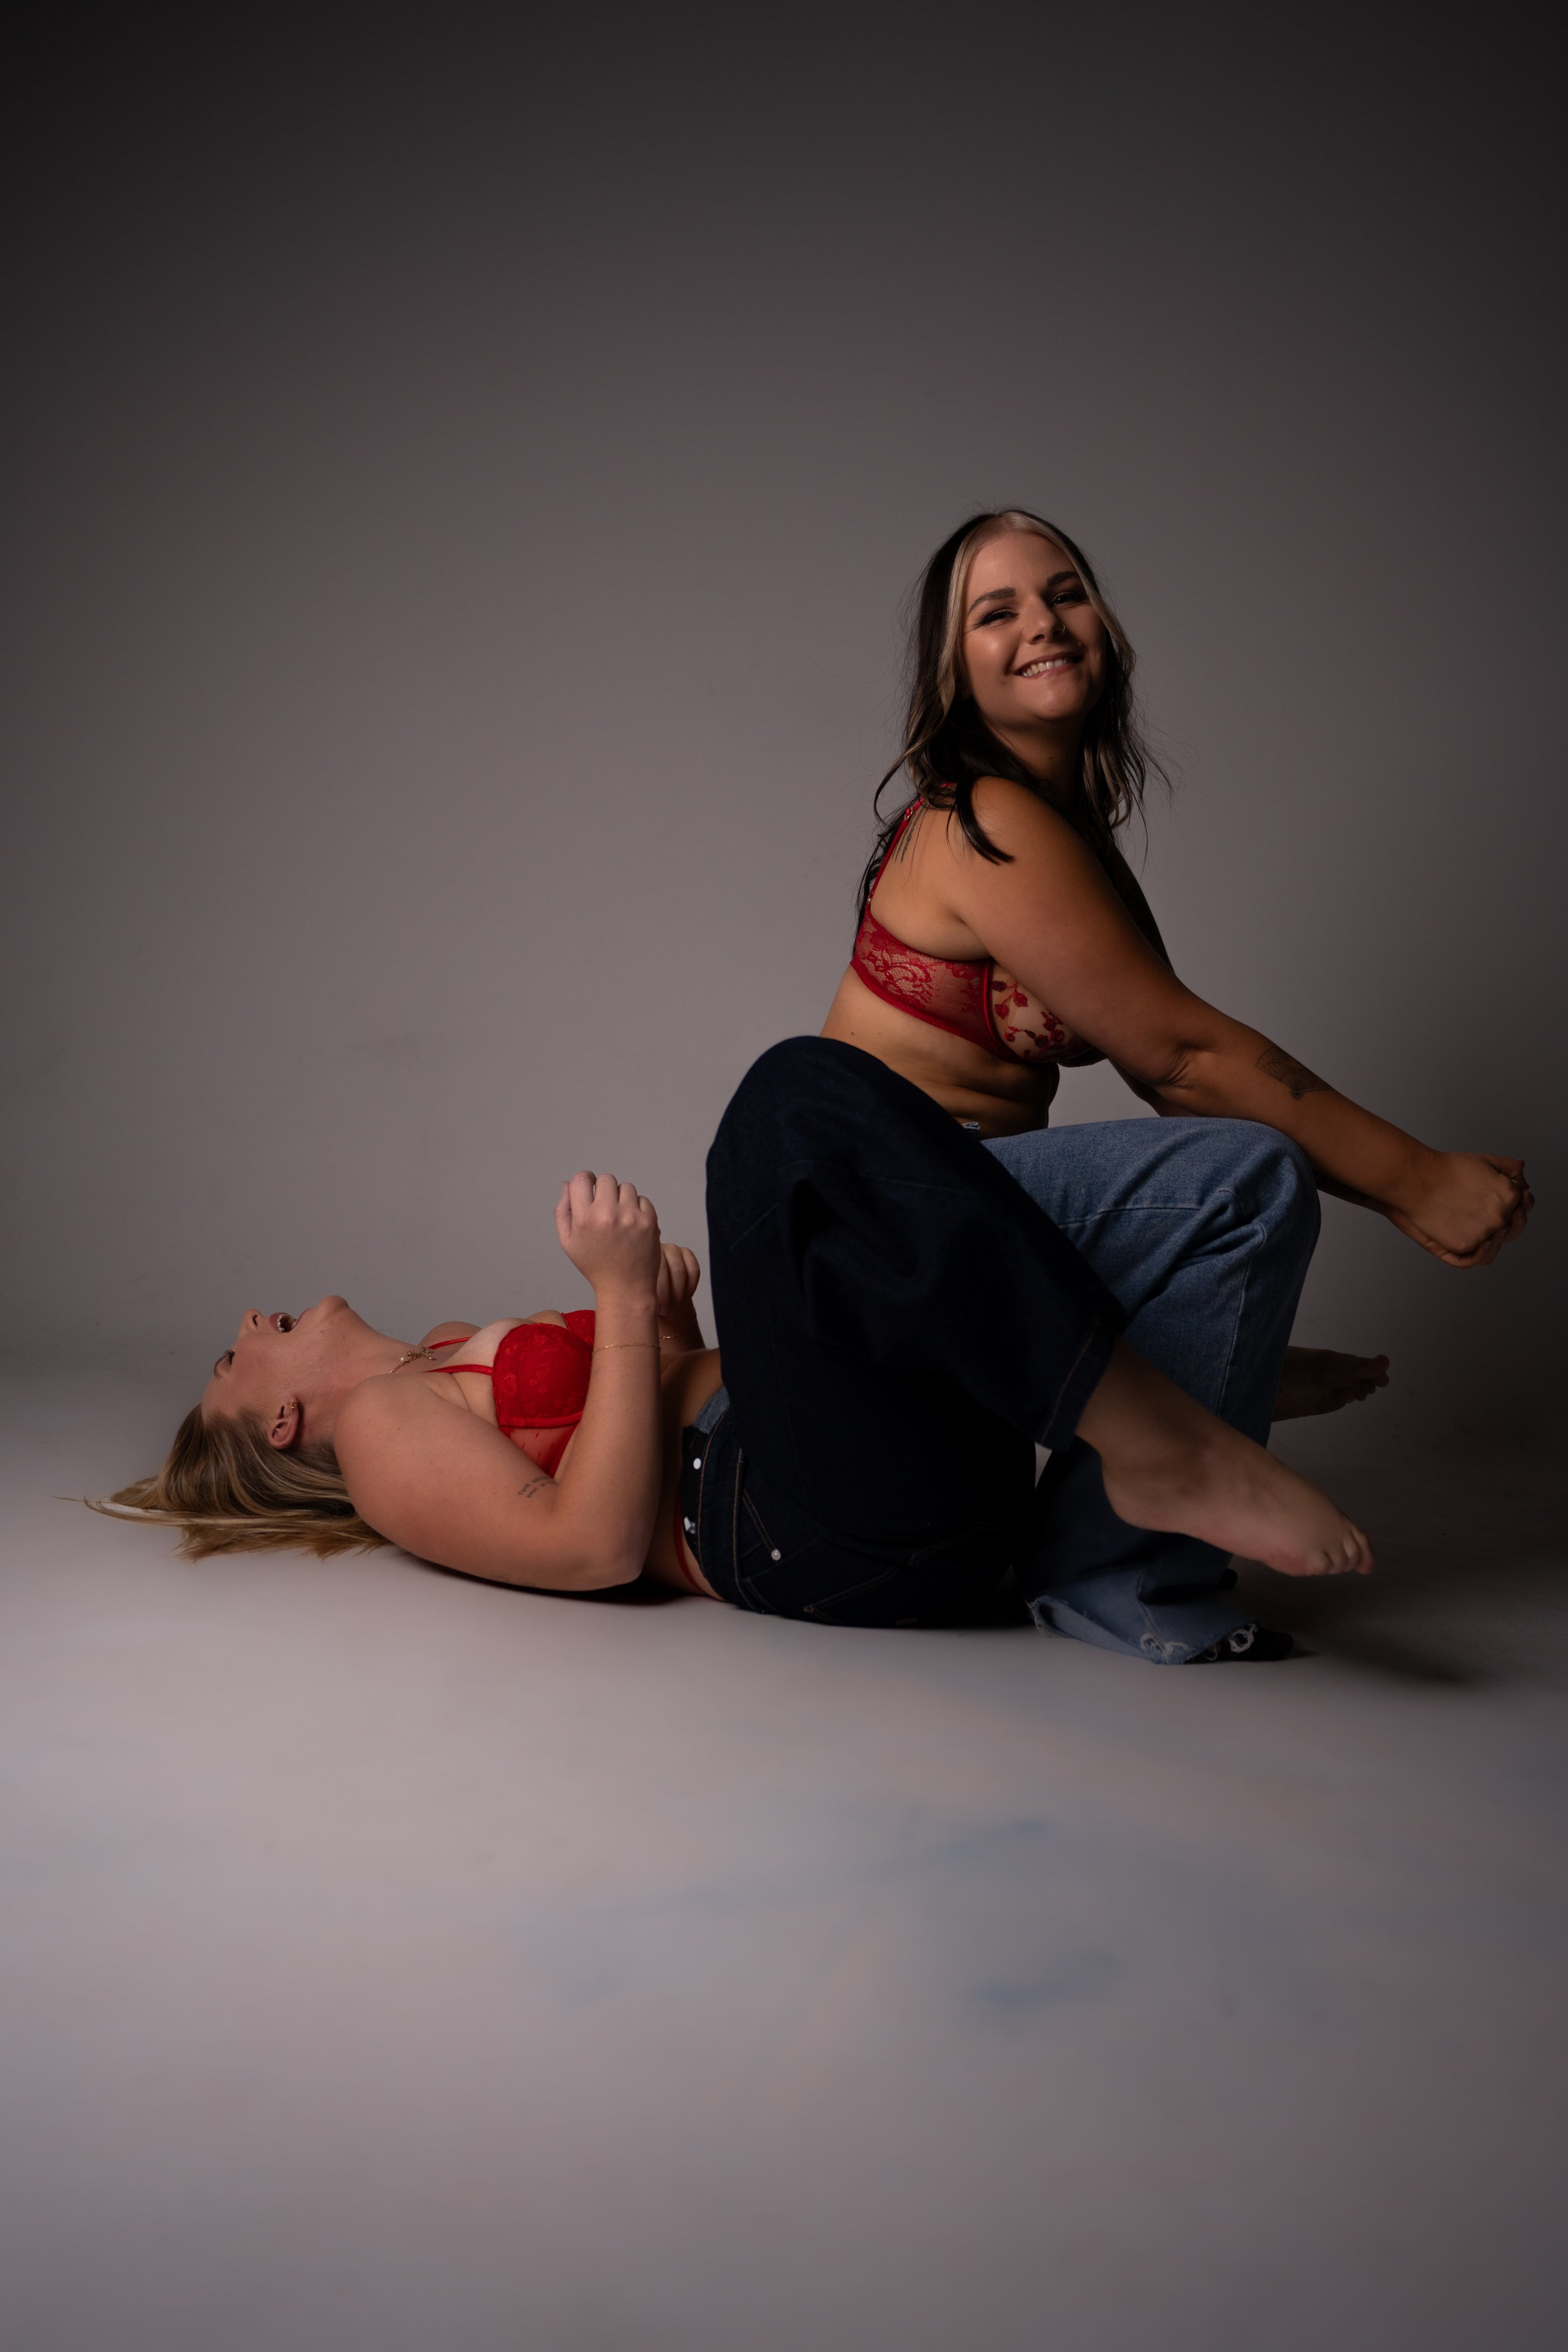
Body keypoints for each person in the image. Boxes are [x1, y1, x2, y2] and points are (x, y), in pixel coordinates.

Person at [818, 509, 1531, 1653]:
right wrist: (1418, 1181)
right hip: (885, 1231)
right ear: (953, 673)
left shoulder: (1065, 835)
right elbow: (1184, 1059)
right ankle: (1115, 1568)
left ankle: (1178, 1392)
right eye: (996, 612)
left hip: (963, 1217)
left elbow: (1180, 1086)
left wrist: (1237, 1330)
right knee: (1245, 1179)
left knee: (1226, 1179)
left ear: (1106, 627)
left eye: (1065, 593)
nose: (1043, 623)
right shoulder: (983, 820)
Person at [96, 1039, 1372, 1660]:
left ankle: (1158, 1430)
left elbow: (642, 1413)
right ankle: (1159, 1428)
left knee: (1238, 1182)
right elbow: (592, 1548)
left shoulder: (435, 1351)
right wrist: (620, 1301)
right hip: (809, 1529)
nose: (246, 1323)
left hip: (832, 1443)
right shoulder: (379, 1441)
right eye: (231, 1361)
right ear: (278, 1425)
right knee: (784, 1112)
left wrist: (666, 1324)